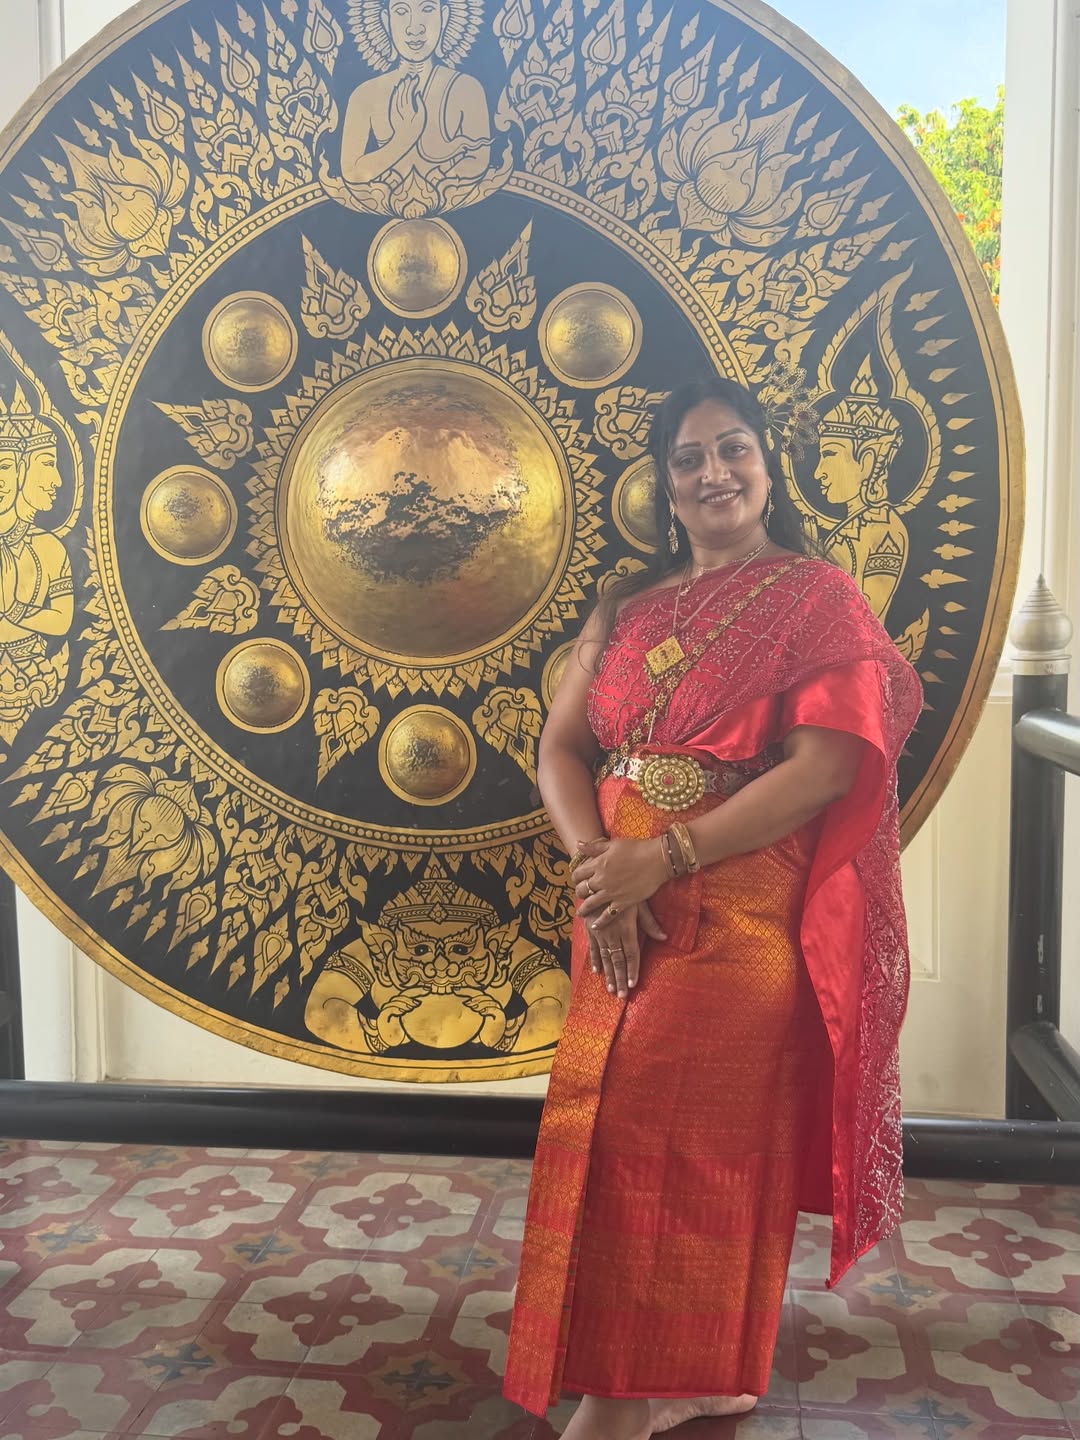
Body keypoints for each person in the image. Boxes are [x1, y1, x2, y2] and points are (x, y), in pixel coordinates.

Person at [502, 375, 922, 1440]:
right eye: (688, 459)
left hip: (736, 912)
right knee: (610, 1132)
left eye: (733, 448)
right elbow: (560, 749)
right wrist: (600, 871)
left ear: (769, 463)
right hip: (618, 905)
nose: (713, 473)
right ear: (665, 483)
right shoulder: (627, 606)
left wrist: (665, 856)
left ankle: (620, 1403)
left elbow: (828, 767)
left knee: (685, 1145)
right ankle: (691, 1376)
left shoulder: (816, 597)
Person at [341, 0, 492, 188]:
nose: (414, 28)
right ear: (386, 21)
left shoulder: (467, 88)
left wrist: (437, 182)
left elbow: (479, 160)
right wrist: (403, 139)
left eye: (427, 9)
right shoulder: (364, 94)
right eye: (401, 11)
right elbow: (351, 171)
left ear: (444, 17)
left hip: (449, 197)